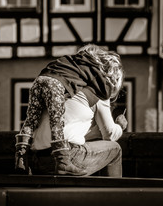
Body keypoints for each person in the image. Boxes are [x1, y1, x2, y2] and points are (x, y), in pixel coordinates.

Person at [14, 44, 127, 176]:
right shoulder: (99, 88)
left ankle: (20, 159)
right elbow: (109, 134)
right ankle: (112, 194)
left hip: (37, 159)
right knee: (115, 149)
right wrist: (120, 125)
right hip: (68, 155)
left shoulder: (68, 81)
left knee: (31, 119)